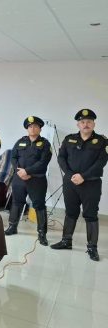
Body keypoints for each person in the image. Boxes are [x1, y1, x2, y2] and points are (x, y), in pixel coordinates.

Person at [52, 109, 108, 261]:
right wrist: (71, 175)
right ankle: (66, 241)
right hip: (70, 183)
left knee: (91, 215)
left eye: (89, 121)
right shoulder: (69, 139)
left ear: (93, 124)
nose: (86, 124)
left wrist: (84, 176)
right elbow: (61, 158)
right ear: (78, 124)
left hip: (91, 183)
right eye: (82, 122)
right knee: (70, 212)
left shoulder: (102, 141)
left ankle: (92, 247)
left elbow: (101, 162)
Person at [5, 116, 52, 244]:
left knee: (39, 205)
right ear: (27, 128)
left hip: (37, 180)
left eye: (36, 126)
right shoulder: (20, 141)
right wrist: (20, 172)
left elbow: (43, 162)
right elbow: (13, 157)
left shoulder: (45, 144)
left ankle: (42, 233)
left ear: (40, 129)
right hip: (19, 178)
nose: (33, 128)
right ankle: (12, 226)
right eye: (30, 126)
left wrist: (27, 171)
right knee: (17, 202)